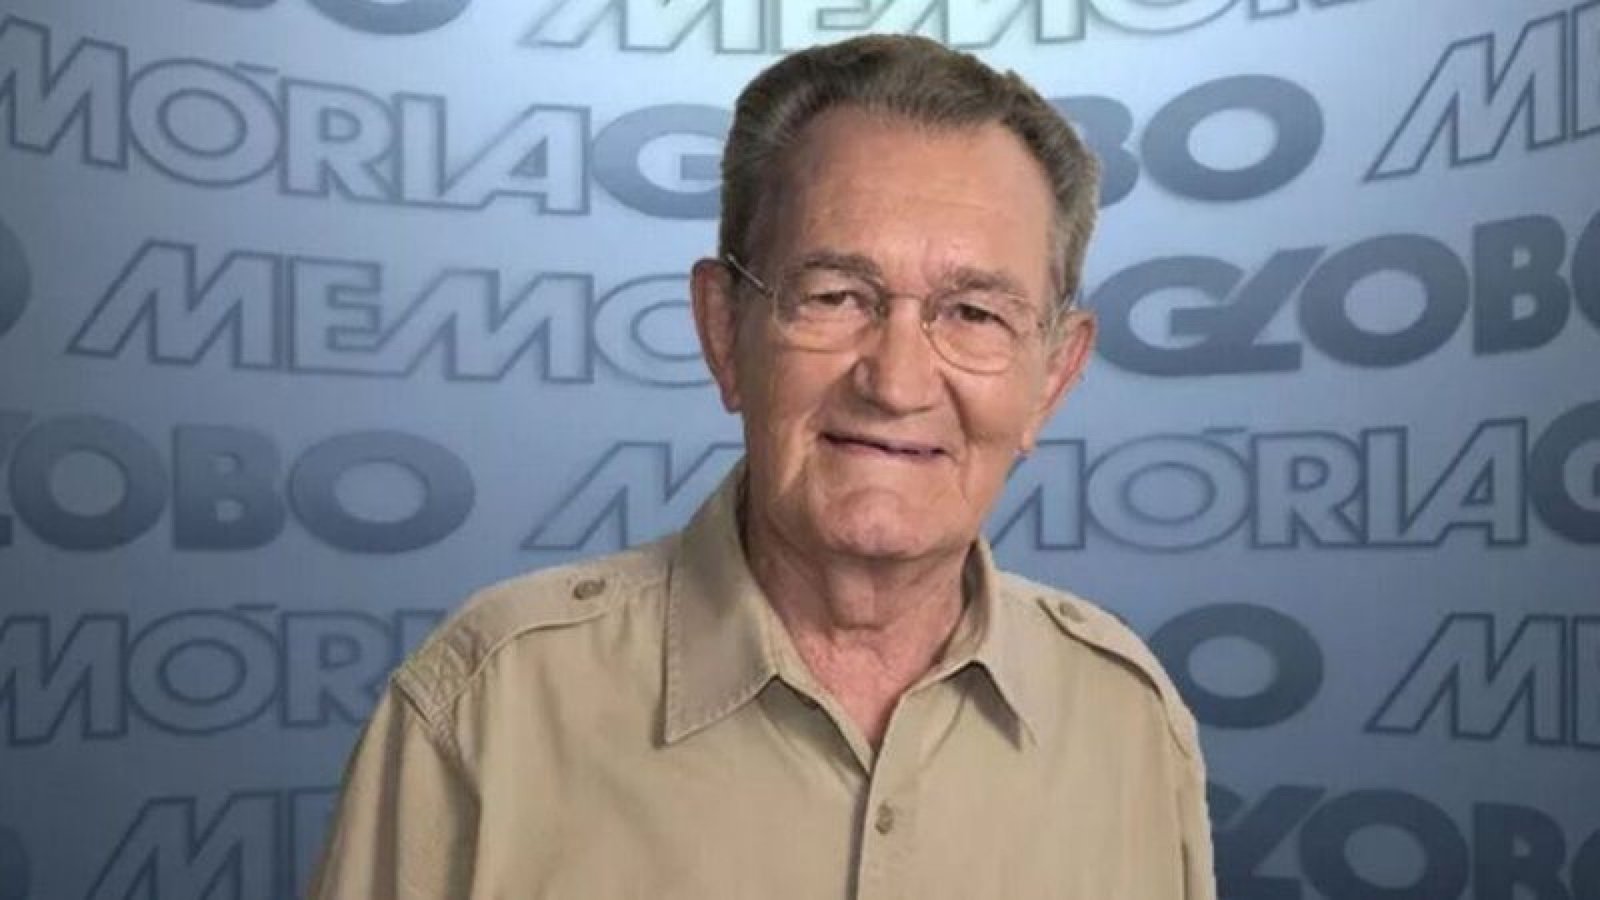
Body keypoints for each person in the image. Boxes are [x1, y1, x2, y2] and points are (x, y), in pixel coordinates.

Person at [311, 34, 1215, 899]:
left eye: (974, 313)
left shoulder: (1128, 723)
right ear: (723, 330)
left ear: (1052, 377)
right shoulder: (490, 708)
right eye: (835, 296)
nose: (897, 382)